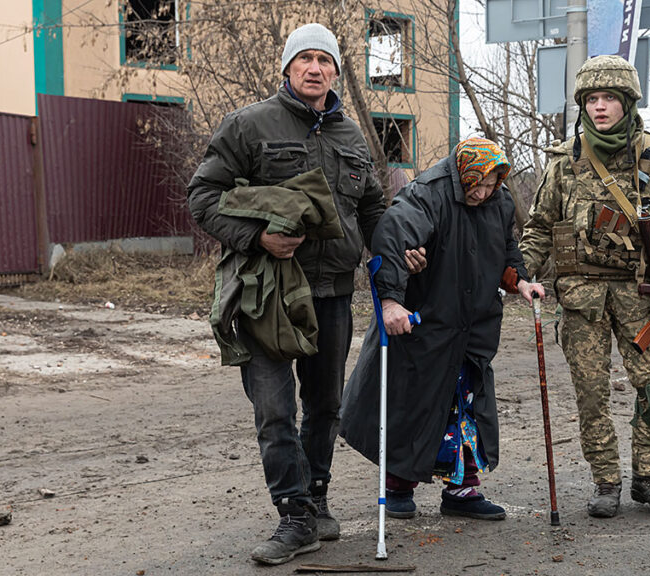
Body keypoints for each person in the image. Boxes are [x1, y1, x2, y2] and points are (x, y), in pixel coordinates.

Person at [188, 23, 391, 565]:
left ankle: (316, 502)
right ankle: (293, 516)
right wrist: (256, 236)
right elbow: (203, 194)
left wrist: (397, 254)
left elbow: (371, 208)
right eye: (305, 59)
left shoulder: (352, 136)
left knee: (324, 406)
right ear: (287, 68)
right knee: (274, 411)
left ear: (336, 72)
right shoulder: (250, 125)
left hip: (331, 292)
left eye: (325, 60)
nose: (315, 68)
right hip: (268, 292)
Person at [518, 55, 650, 519]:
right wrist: (522, 275)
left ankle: (647, 477)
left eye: (609, 99)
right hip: (581, 302)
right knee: (593, 396)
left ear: (627, 102)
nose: (600, 107)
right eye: (592, 99)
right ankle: (607, 481)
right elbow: (539, 226)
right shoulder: (566, 161)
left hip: (641, 300)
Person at [340, 138, 544, 522]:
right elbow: (391, 238)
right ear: (463, 173)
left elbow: (506, 249)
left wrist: (522, 281)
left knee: (466, 405)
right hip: (427, 322)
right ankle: (397, 485)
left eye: (491, 184)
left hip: (473, 324)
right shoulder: (427, 194)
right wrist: (390, 300)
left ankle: (462, 489)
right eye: (477, 183)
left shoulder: (498, 202)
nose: (482, 192)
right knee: (413, 404)